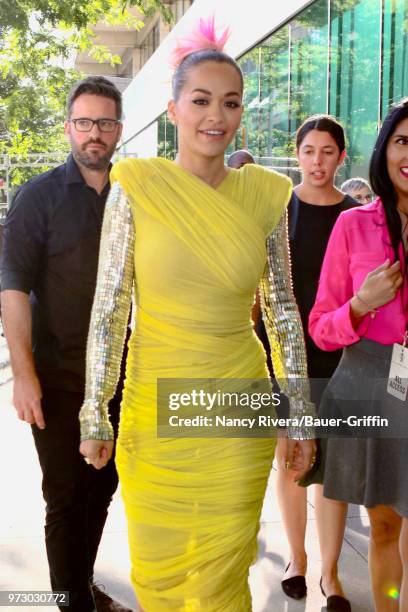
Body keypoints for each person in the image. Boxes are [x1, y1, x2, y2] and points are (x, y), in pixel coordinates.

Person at [79, 17, 316, 612]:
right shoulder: (135, 185)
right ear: (175, 107)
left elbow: (284, 308)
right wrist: (94, 410)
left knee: (221, 572)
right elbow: (109, 307)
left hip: (240, 401)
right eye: (202, 100)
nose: (217, 115)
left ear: (240, 113)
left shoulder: (265, 195)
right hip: (152, 404)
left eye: (230, 103)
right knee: (160, 574)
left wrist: (302, 411)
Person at [1, 76, 131, 612]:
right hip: (55, 376)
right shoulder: (38, 196)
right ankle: (70, 601)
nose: (93, 133)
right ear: (68, 127)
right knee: (65, 496)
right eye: (84, 122)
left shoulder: (135, 194)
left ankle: (80, 583)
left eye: (104, 122)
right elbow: (12, 287)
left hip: (123, 376)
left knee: (102, 487)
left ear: (119, 129)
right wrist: (24, 376)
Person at [308, 97, 408, 611]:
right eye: (404, 141)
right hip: (369, 380)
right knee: (385, 523)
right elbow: (322, 328)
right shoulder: (353, 225)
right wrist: (362, 304)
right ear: (384, 150)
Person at [256, 115, 356, 609]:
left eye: (327, 151)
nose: (317, 161)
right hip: (283, 352)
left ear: (342, 156)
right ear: (297, 155)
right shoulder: (277, 208)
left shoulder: (358, 216)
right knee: (293, 458)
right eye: (309, 151)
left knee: (333, 466)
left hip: (341, 351)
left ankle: (331, 574)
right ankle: (297, 558)